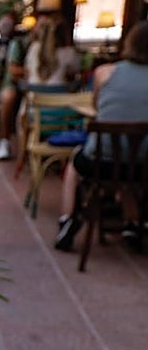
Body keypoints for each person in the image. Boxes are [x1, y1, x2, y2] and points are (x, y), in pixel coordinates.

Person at [55, 20, 148, 251]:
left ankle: (68, 218)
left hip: (99, 162)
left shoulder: (105, 73)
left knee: (75, 166)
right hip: (142, 164)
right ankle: (132, 223)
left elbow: (97, 108)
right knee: (128, 167)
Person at [0, 18, 33, 161]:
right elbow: (13, 69)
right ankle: (4, 142)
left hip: (36, 86)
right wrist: (30, 72)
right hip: (14, 84)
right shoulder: (18, 44)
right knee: (7, 98)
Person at [24, 17, 79, 87]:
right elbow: (74, 72)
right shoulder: (69, 52)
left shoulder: (33, 47)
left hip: (34, 93)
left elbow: (27, 72)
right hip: (58, 94)